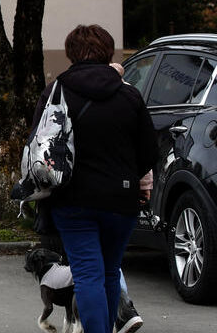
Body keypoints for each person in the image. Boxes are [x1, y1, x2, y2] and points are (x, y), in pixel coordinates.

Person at [34, 25, 156, 333]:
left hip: (71, 200)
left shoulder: (55, 92)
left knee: (87, 273)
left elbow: (37, 141)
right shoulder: (129, 94)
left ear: (71, 53)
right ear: (109, 52)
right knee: (110, 271)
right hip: (121, 200)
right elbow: (148, 151)